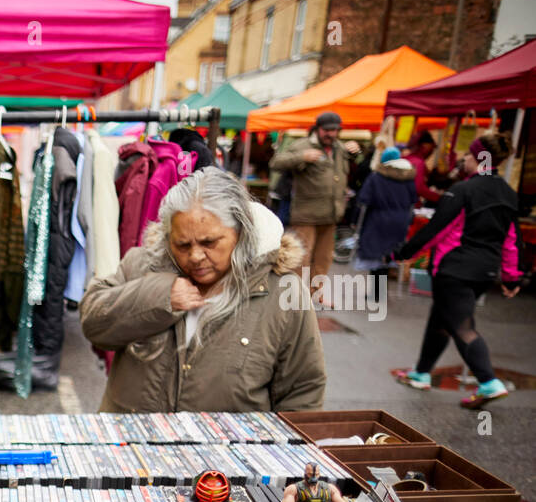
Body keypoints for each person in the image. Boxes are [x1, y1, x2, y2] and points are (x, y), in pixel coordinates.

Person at [79, 167, 326, 413]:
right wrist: (158, 297)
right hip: (132, 445)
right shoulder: (143, 264)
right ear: (169, 237)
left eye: (209, 242)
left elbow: (303, 390)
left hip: (231, 450)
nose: (196, 256)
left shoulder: (283, 291)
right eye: (182, 244)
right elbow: (93, 322)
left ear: (240, 233)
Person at [393, 133, 525, 408]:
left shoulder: (464, 190)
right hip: (483, 272)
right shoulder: (507, 193)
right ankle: (421, 373)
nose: (463, 160)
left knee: (462, 326)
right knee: (441, 320)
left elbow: (436, 230)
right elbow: (512, 239)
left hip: (455, 269)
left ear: (476, 158)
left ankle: (489, 382)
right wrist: (512, 277)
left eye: (466, 156)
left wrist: (402, 253)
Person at [268, 111, 362, 298]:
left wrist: (356, 152)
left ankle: (315, 294)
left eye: (335, 130)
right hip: (306, 214)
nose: (331, 134)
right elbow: (276, 162)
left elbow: (355, 166)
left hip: (331, 213)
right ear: (318, 129)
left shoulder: (339, 148)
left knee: (323, 258)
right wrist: (301, 157)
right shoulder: (302, 145)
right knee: (300, 257)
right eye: (327, 130)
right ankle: (292, 295)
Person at [353, 148, 417, 300]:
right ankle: (381, 291)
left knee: (376, 254)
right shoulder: (408, 177)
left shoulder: (377, 177)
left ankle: (376, 292)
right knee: (389, 253)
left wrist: (355, 221)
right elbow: (413, 200)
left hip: (378, 219)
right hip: (400, 220)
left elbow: (364, 200)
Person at [403, 131, 444, 205]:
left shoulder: (406, 158)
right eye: (432, 148)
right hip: (408, 205)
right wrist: (439, 197)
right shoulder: (418, 163)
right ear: (425, 146)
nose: (431, 153)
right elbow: (419, 188)